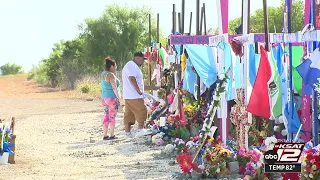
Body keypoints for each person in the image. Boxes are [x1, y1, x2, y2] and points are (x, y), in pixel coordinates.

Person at [122, 52, 151, 138]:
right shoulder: (131, 65)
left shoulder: (132, 66)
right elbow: (132, 78)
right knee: (142, 110)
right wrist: (138, 90)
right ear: (137, 58)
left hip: (128, 95)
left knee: (129, 114)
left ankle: (127, 132)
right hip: (134, 95)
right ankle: (140, 129)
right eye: (143, 59)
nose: (143, 62)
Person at [101, 57, 121, 140]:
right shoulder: (111, 75)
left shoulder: (103, 74)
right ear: (112, 66)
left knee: (106, 115)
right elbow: (114, 87)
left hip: (105, 97)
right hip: (112, 97)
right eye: (115, 66)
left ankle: (105, 135)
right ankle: (112, 134)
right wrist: (119, 98)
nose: (115, 68)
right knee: (112, 116)